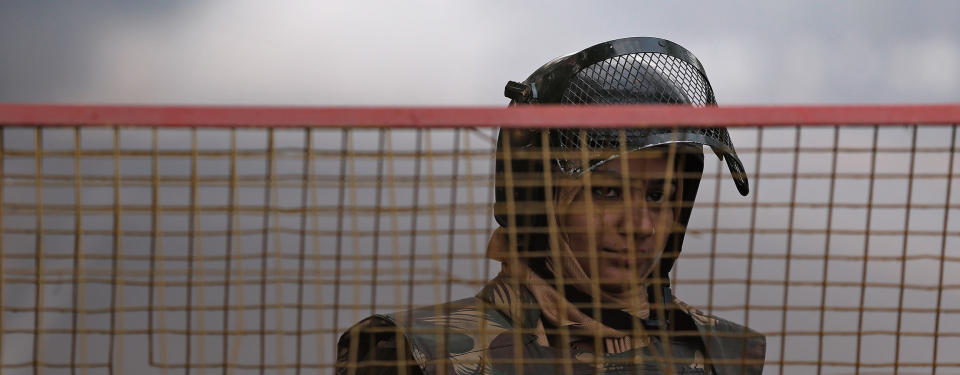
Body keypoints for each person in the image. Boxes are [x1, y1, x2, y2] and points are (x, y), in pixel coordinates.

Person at [337, 37, 765, 375]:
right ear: (536, 202)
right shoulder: (418, 355)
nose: (640, 226)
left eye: (657, 196)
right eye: (607, 192)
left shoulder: (724, 354)